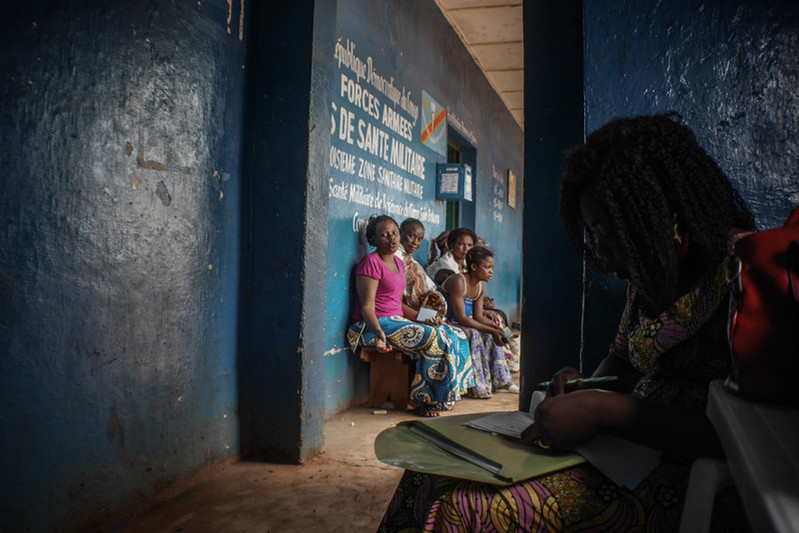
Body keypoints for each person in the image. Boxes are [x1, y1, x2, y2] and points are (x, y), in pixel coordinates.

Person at [378, 114, 755, 531]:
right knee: (427, 473)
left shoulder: (745, 277)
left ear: (663, 215)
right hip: (621, 452)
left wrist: (605, 410)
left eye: (609, 231)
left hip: (685, 475)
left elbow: (755, 435)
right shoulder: (651, 275)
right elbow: (622, 359)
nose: (603, 251)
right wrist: (585, 386)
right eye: (594, 234)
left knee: (460, 508)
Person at [346, 215, 473, 418]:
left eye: (394, 233)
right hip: (371, 325)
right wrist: (378, 333)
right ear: (375, 239)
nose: (391, 238)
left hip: (396, 320)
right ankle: (423, 399)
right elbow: (367, 306)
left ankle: (445, 395)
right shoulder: (371, 263)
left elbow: (398, 304)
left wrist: (421, 318)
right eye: (384, 235)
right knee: (433, 337)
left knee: (455, 333)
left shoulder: (399, 263)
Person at [441, 245, 517, 398]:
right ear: (474, 267)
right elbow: (461, 317)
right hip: (446, 321)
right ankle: (477, 386)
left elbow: (478, 316)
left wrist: (497, 328)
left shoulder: (480, 286)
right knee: (475, 333)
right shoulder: (458, 281)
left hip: (462, 322)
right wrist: (491, 329)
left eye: (492, 267)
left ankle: (501, 381)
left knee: (492, 332)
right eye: (487, 267)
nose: (491, 271)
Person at [396, 218, 446, 320]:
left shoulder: (412, 261)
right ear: (400, 233)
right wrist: (421, 317)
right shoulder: (396, 258)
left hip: (422, 314)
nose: (415, 242)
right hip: (407, 314)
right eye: (411, 236)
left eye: (419, 239)